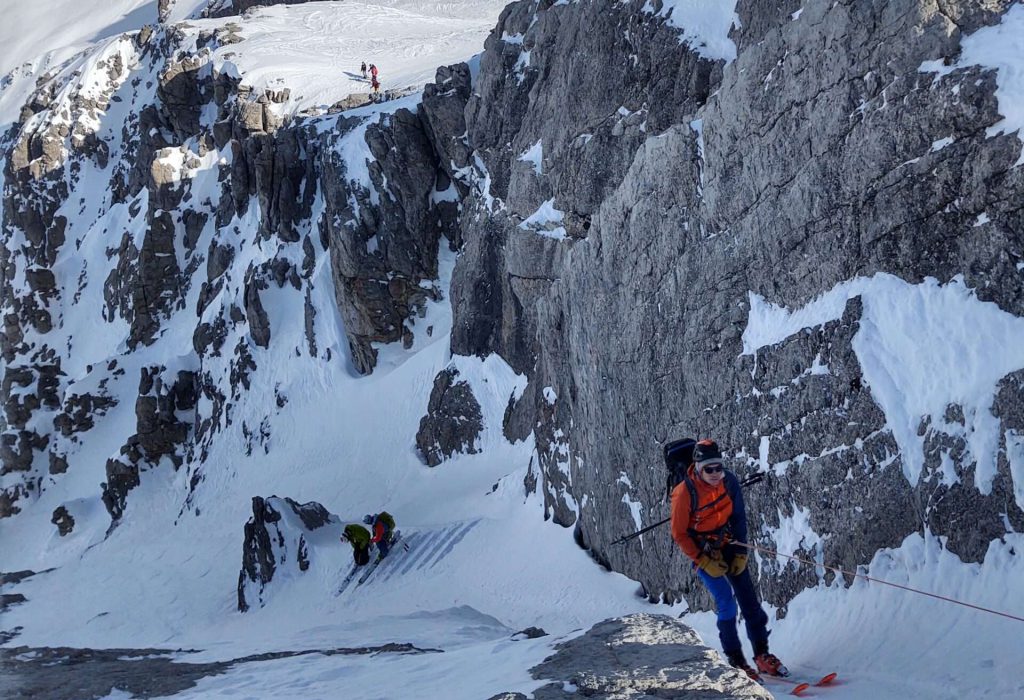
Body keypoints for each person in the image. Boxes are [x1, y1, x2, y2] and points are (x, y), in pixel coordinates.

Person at [670, 439, 788, 681]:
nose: (715, 474)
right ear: (698, 468)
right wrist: (702, 560)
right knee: (727, 603)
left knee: (749, 602)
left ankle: (762, 655)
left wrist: (742, 553)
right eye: (709, 469)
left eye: (718, 468)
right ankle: (736, 661)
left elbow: (739, 518)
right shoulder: (684, 492)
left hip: (729, 544)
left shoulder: (729, 481)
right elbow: (680, 533)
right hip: (704, 552)